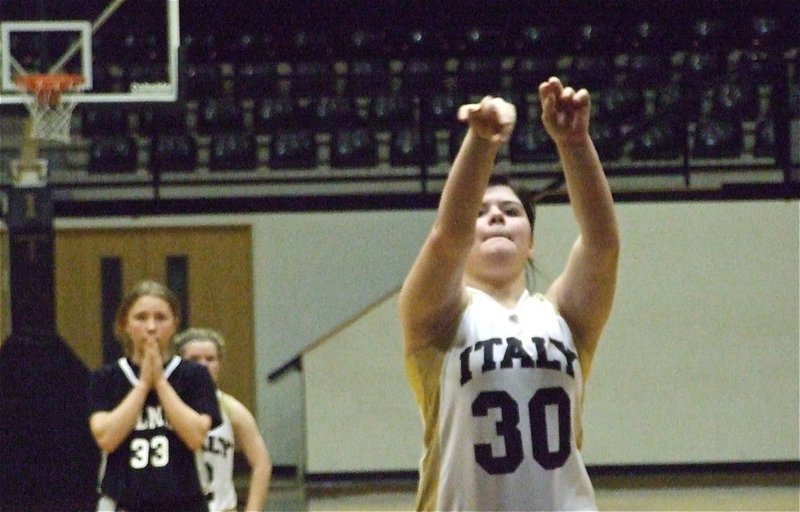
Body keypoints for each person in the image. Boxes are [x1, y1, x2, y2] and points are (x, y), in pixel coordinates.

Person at [399, 76, 620, 511]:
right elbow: (447, 236)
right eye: (481, 212)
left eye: (511, 211)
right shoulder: (439, 319)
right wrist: (481, 143)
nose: (496, 217)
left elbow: (602, 243)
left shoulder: (563, 318)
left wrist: (574, 143)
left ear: (531, 239)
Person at [88, 280, 222, 512]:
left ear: (174, 324)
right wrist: (142, 386)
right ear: (125, 324)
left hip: (185, 502)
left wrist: (160, 382)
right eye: (141, 318)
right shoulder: (106, 377)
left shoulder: (194, 376)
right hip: (122, 503)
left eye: (160, 318)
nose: (151, 327)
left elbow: (195, 437)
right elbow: (107, 438)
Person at [174, 328, 272, 512]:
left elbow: (261, 464)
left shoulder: (231, 409)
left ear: (219, 364)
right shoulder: (162, 406)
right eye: (194, 359)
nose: (203, 365)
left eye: (210, 359)